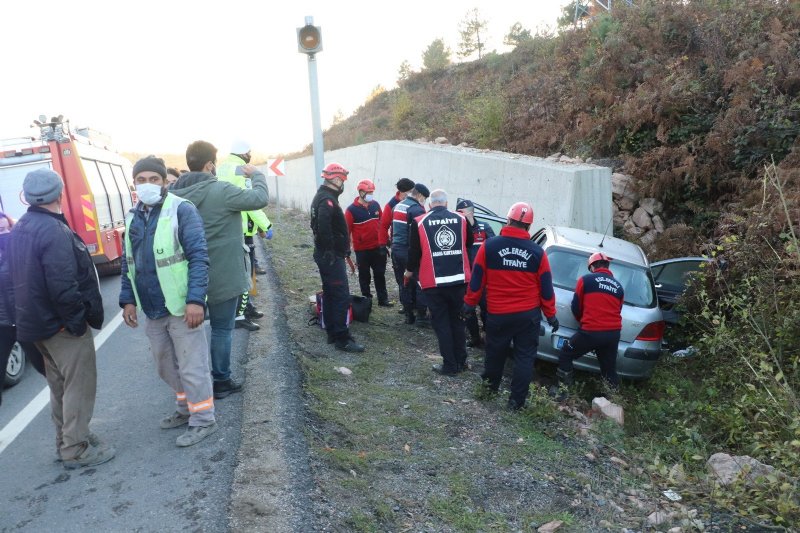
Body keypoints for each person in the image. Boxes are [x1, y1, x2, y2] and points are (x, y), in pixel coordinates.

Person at [9, 168, 113, 468]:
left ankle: (64, 441)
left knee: (59, 386)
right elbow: (62, 285)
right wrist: (76, 322)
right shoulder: (53, 230)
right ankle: (76, 449)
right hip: (60, 326)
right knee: (79, 385)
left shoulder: (22, 226)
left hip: (35, 324)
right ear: (59, 193)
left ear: (27, 198)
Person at [120, 156, 217, 447]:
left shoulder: (181, 210)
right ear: (134, 183)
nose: (147, 185)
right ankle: (185, 408)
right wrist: (127, 300)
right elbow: (129, 262)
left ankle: (203, 420)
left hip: (182, 305)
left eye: (154, 179)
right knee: (165, 365)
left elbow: (199, 257)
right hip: (153, 307)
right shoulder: (133, 215)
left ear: (164, 182)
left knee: (192, 365)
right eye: (141, 180)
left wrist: (195, 300)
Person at [172, 141, 269, 400]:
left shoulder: (173, 195)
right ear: (210, 165)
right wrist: (257, 175)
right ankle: (221, 380)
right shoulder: (222, 191)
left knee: (187, 333)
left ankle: (192, 383)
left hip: (185, 276)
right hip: (224, 273)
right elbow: (260, 199)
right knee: (222, 329)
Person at [464, 202, 559, 410]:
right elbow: (546, 289)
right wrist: (551, 315)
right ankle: (516, 402)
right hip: (527, 316)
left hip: (498, 314)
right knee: (524, 357)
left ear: (507, 220)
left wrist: (469, 304)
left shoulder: (490, 246)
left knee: (495, 352)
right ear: (529, 227)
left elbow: (477, 280)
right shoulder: (538, 253)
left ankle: (489, 389)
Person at [406, 189, 473, 375]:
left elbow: (414, 253)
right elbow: (470, 242)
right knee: (458, 322)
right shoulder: (461, 219)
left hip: (434, 284)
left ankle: (450, 366)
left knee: (441, 324)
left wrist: (409, 271)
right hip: (459, 281)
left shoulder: (419, 222)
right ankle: (461, 361)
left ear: (429, 205)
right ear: (446, 203)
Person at [216, 139, 273, 332]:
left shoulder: (223, 168)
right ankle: (240, 315)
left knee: (239, 272)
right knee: (245, 275)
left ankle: (246, 308)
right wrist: (265, 225)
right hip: (240, 229)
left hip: (228, 228)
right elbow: (251, 201)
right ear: (245, 153)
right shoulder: (242, 169)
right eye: (249, 152)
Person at [310, 162, 364, 353]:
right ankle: (342, 337)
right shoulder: (326, 200)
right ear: (336, 179)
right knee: (340, 296)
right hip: (330, 257)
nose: (343, 184)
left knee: (332, 294)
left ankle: (333, 332)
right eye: (342, 180)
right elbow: (323, 228)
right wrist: (332, 252)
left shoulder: (325, 197)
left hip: (328, 255)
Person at [555, 252, 624, 392]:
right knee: (608, 368)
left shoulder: (585, 280)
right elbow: (618, 309)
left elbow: (576, 306)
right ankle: (613, 400)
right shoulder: (618, 287)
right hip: (613, 334)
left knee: (566, 354)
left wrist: (583, 321)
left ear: (592, 267)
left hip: (591, 331)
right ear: (607, 266)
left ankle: (562, 391)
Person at [0, 213, 46, 407]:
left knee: (49, 369)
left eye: (6, 229)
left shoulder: (20, 252)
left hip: (26, 321)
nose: (5, 234)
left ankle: (69, 416)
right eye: (0, 231)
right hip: (2, 326)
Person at [345, 179, 392, 307]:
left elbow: (383, 224)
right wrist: (347, 248)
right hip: (362, 250)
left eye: (372, 192)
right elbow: (347, 231)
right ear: (360, 192)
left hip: (378, 248)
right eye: (368, 192)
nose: (370, 195)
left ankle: (383, 300)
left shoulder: (375, 205)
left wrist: (386, 240)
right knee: (364, 277)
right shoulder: (351, 210)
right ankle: (367, 300)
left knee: (380, 274)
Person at [456, 199, 496, 347]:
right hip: (466, 277)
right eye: (462, 213)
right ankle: (474, 337)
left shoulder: (484, 227)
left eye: (468, 211)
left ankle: (488, 336)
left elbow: (494, 248)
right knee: (468, 309)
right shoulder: (457, 228)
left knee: (487, 308)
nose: (467, 215)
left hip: (484, 279)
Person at [391, 183, 430, 326]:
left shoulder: (398, 206)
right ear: (419, 195)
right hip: (410, 251)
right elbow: (421, 235)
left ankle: (408, 315)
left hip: (396, 249)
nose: (424, 200)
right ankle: (421, 316)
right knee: (420, 282)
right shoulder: (417, 210)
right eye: (424, 198)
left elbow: (392, 228)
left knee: (404, 283)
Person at [382, 178, 415, 309]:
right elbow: (384, 225)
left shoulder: (414, 203)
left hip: (412, 246)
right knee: (401, 278)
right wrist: (383, 244)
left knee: (413, 276)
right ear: (405, 192)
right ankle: (406, 305)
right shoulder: (391, 205)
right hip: (399, 245)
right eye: (411, 191)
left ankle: (414, 304)